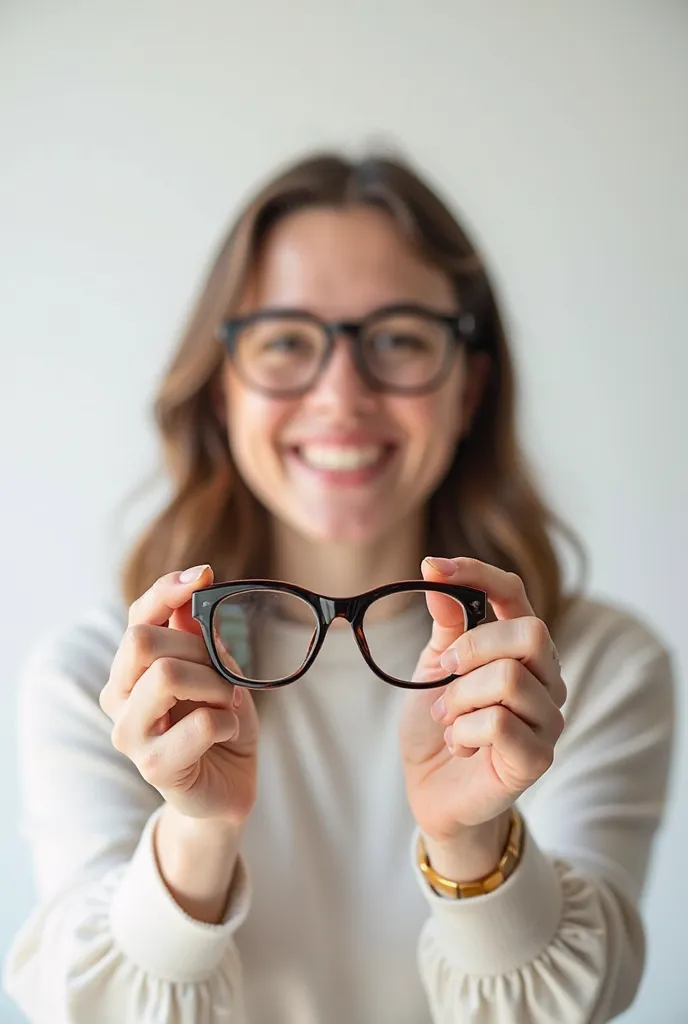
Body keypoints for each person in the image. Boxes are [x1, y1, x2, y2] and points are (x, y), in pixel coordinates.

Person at [3, 152, 675, 1024]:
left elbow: (565, 1007)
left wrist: (470, 841)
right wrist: (197, 833)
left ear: (468, 389)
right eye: (286, 341)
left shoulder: (593, 666)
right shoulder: (103, 679)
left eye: (398, 339)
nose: (342, 394)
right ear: (221, 394)